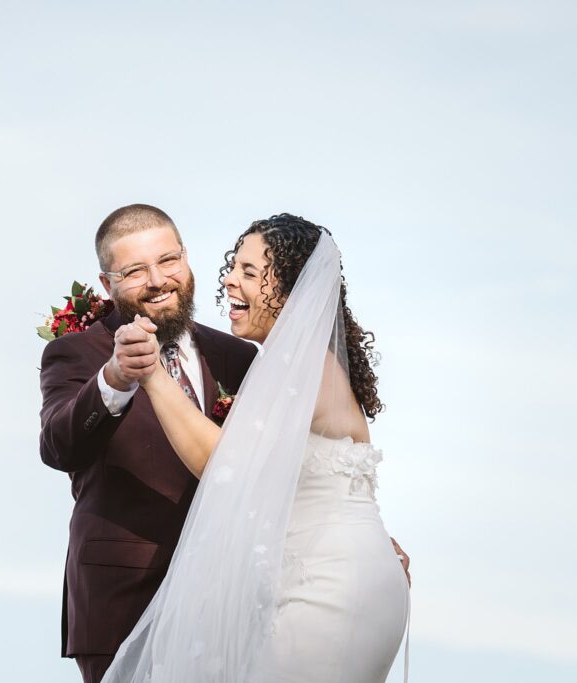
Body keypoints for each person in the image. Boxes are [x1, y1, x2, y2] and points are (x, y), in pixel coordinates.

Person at [101, 214, 411, 682]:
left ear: (290, 292)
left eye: (249, 272)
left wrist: (149, 373)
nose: (228, 280)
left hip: (331, 588)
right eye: (233, 267)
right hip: (337, 577)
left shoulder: (303, 365)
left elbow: (222, 464)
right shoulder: (290, 367)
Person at [39, 204, 259, 683]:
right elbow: (57, 446)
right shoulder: (74, 353)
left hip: (226, 600)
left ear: (187, 259)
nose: (158, 280)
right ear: (107, 285)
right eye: (135, 271)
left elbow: (274, 466)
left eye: (169, 260)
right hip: (124, 600)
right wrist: (114, 378)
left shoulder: (239, 357)